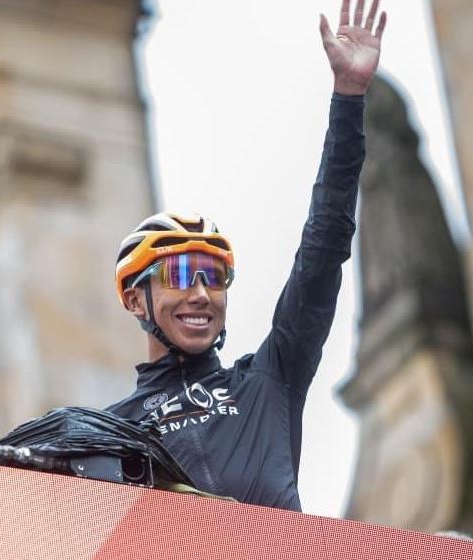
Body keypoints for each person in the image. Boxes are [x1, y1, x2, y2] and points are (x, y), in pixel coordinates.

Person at [106, 0, 387, 511]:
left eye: (214, 278)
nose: (200, 293)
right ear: (134, 300)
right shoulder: (111, 430)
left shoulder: (269, 381)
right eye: (179, 274)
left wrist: (348, 98)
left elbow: (323, 251)